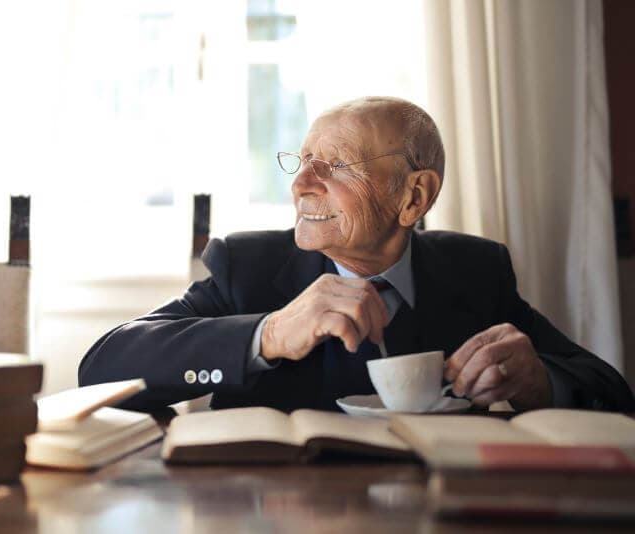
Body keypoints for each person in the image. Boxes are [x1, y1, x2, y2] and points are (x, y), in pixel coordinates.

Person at [78, 96, 634, 413]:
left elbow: (612, 392)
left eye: (336, 165)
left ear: (413, 196)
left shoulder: (475, 271)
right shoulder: (247, 267)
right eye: (301, 162)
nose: (301, 185)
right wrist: (268, 333)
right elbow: (101, 368)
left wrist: (543, 381)